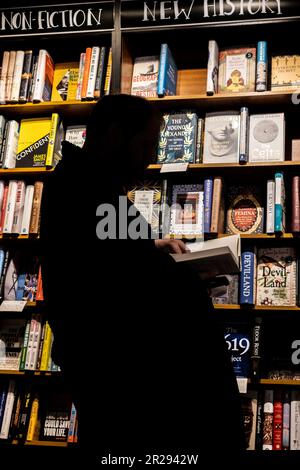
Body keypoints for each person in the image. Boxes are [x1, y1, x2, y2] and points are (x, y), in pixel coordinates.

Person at [41, 94, 245, 465]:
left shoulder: (88, 182)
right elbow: (110, 286)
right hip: (122, 379)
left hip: (120, 373)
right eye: (146, 144)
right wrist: (186, 279)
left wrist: (152, 246)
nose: (150, 157)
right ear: (116, 134)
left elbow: (106, 253)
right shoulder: (85, 188)